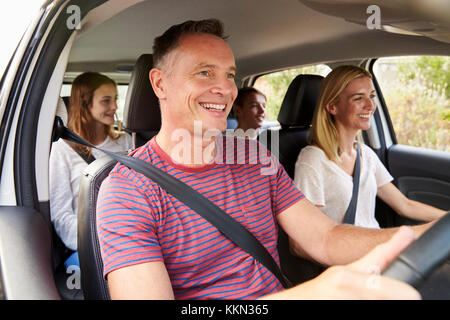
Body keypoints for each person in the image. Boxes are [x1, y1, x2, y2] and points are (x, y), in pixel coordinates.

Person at [96, 19, 431, 300]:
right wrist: (313, 294)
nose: (225, 89)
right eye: (204, 73)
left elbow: (324, 238)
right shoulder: (127, 191)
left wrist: (424, 236)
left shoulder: (255, 156)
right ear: (159, 84)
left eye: (229, 75)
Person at [293, 65, 446, 228]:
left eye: (371, 96)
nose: (370, 105)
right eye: (358, 98)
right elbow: (305, 237)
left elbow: (404, 205)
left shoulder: (364, 154)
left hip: (377, 245)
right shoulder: (313, 159)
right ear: (332, 106)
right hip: (352, 252)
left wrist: (446, 218)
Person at [50, 72, 132, 267]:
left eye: (115, 100)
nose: (114, 107)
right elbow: (61, 215)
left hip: (134, 236)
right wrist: (105, 238)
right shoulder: (62, 150)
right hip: (90, 247)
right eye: (106, 101)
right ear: (85, 105)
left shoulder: (127, 141)